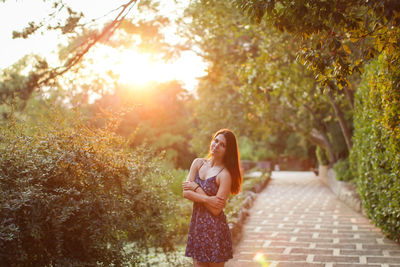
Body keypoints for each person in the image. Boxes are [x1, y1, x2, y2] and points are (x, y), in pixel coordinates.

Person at [183, 129, 242, 267]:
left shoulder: (224, 175)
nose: (216, 145)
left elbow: (216, 210)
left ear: (228, 150)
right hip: (197, 227)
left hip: (215, 230)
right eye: (216, 140)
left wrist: (196, 189)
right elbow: (186, 193)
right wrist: (208, 199)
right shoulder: (198, 163)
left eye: (222, 144)